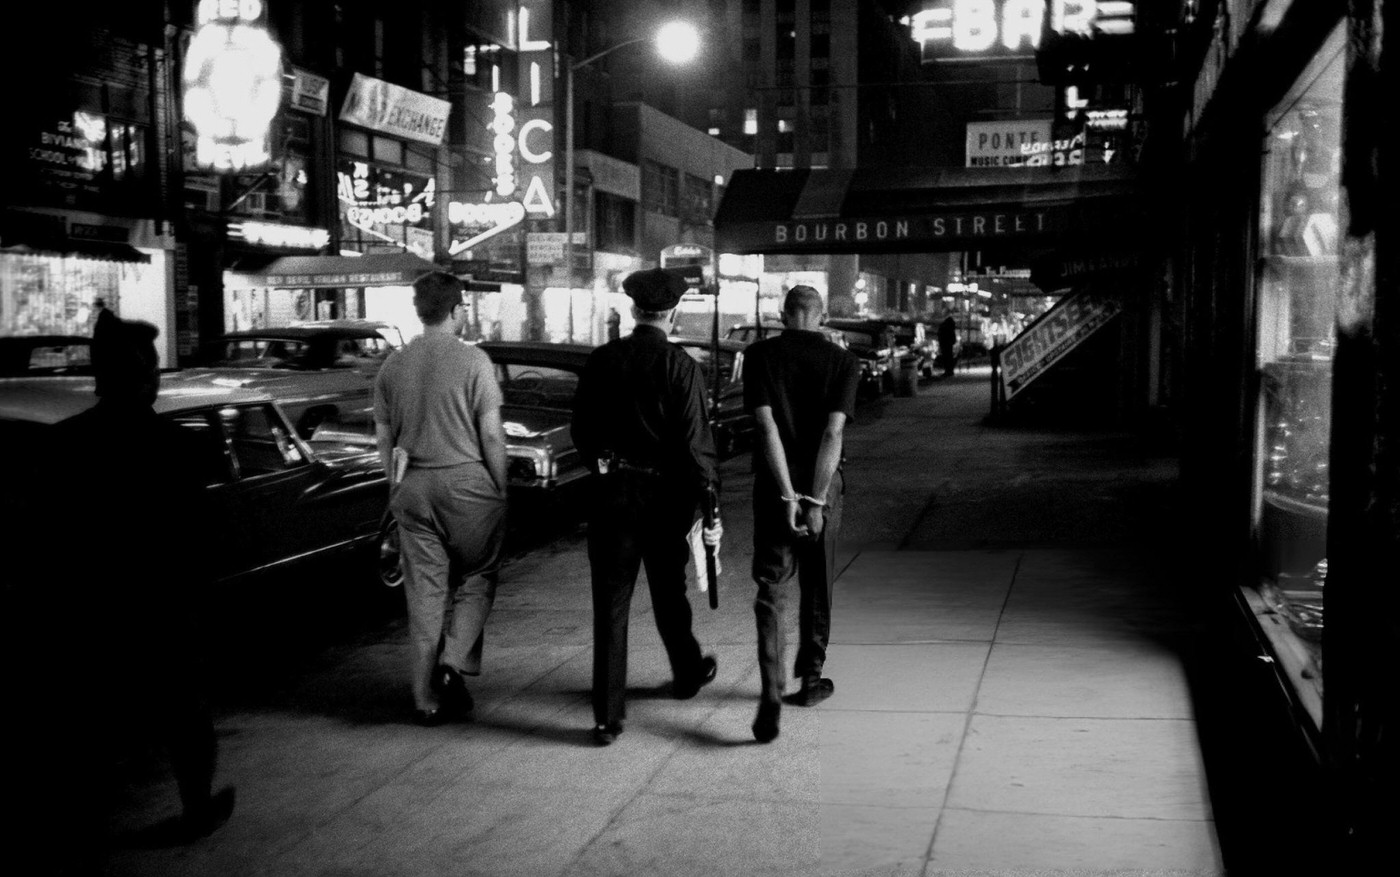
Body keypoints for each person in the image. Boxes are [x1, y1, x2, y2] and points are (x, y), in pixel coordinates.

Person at [12, 317, 235, 871]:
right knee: (184, 715)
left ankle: (72, 826)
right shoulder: (176, 447)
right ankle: (195, 808)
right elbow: (201, 536)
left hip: (85, 612)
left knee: (85, 723)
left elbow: (38, 535)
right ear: (145, 379)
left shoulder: (63, 445)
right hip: (159, 610)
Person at [571, 267, 723, 746]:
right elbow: (697, 442)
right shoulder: (681, 367)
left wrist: (602, 463)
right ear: (672, 313)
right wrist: (709, 502)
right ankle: (686, 672)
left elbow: (581, 431)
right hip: (666, 498)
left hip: (613, 495)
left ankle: (607, 717)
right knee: (668, 592)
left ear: (633, 310)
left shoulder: (601, 360)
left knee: (611, 605)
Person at [373, 271, 509, 727]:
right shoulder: (474, 362)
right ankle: (452, 664)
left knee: (424, 594)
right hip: (466, 486)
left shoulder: (392, 365)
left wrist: (396, 488)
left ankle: (423, 698)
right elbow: (490, 433)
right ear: (454, 310)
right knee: (479, 574)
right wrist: (500, 487)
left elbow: (385, 438)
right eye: (464, 306)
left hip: (413, 488)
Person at [743, 285, 862, 743]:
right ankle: (810, 682)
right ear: (824, 315)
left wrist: (787, 495)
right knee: (818, 582)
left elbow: (764, 423)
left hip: (774, 486)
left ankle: (771, 689)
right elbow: (833, 433)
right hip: (823, 486)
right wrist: (814, 499)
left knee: (771, 586)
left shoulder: (759, 356)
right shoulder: (843, 361)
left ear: (782, 313)